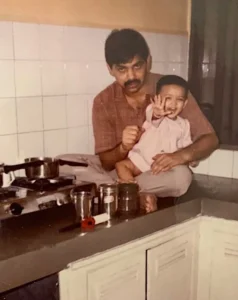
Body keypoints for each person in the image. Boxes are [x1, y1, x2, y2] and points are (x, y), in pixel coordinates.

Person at [57, 28, 218, 212]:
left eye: (137, 66)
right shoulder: (103, 101)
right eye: (122, 69)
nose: (131, 76)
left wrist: (180, 156)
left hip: (157, 171)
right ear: (110, 69)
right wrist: (122, 148)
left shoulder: (172, 90)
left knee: (182, 177)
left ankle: (118, 191)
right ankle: (136, 193)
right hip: (120, 168)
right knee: (62, 163)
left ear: (148, 62)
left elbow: (210, 139)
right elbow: (106, 162)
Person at [116, 75, 196, 185]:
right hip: (141, 160)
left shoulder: (184, 124)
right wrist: (157, 113)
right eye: (168, 98)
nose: (173, 104)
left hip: (163, 166)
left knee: (182, 174)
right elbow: (153, 117)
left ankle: (144, 191)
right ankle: (131, 187)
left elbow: (186, 146)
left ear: (185, 103)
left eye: (179, 100)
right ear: (157, 99)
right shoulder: (153, 112)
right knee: (121, 166)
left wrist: (192, 159)